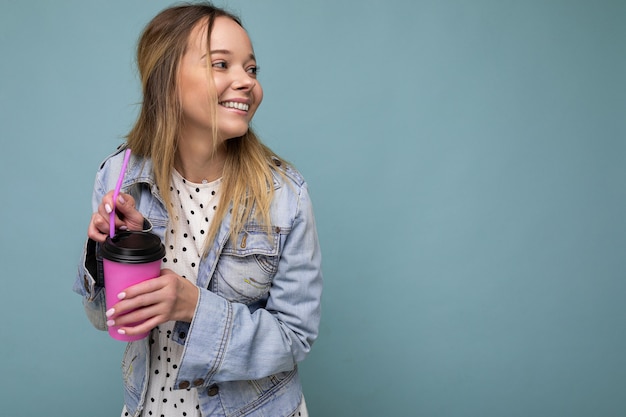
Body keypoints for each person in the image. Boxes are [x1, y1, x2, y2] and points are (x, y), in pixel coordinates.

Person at [72, 3, 322, 417]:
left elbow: (294, 336)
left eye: (252, 69)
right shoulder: (120, 176)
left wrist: (194, 307)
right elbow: (104, 318)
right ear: (167, 79)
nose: (246, 82)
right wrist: (116, 249)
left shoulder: (284, 194)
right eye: (221, 64)